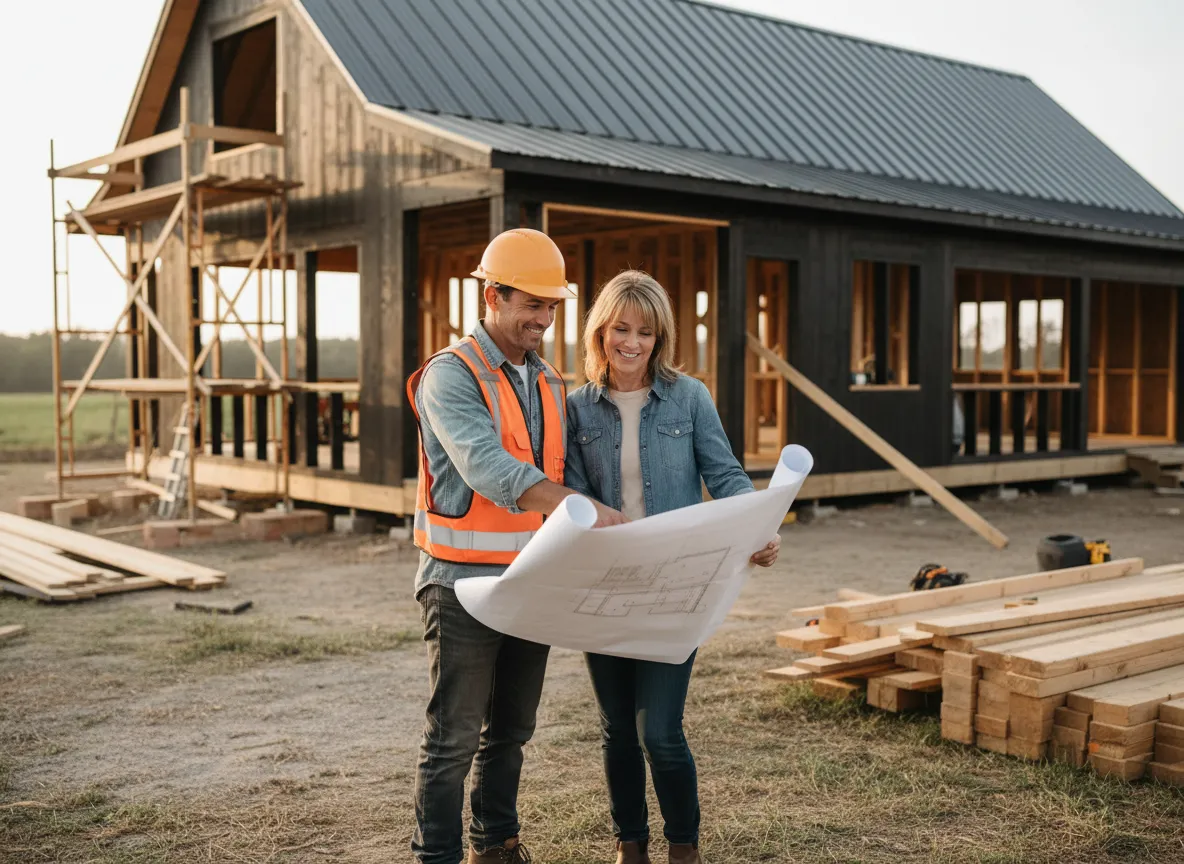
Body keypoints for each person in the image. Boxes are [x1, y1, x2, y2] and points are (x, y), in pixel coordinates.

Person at [407, 228, 627, 864]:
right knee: (453, 737)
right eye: (532, 304)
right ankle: (437, 854)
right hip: (460, 585)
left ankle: (496, 845)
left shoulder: (549, 381)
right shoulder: (451, 377)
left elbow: (571, 468)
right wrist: (580, 508)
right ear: (493, 295)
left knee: (511, 731)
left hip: (530, 581)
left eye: (552, 307)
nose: (544, 319)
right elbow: (488, 469)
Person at [564, 270, 781, 864]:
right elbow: (573, 498)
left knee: (659, 732)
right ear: (600, 332)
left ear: (661, 339)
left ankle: (683, 849)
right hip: (606, 587)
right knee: (617, 733)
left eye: (646, 333)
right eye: (620, 329)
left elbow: (726, 474)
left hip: (674, 588)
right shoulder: (577, 409)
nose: (632, 343)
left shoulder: (690, 396)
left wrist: (759, 525)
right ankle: (629, 847)